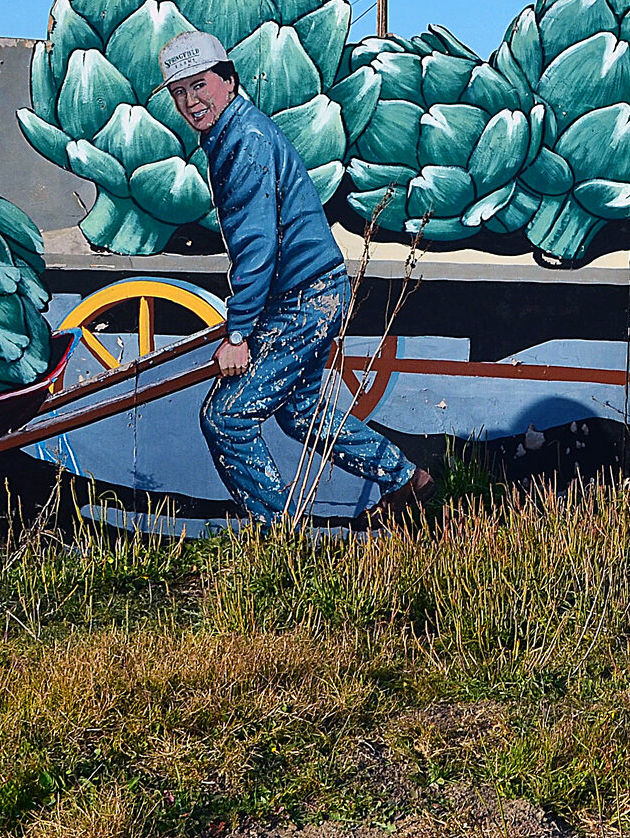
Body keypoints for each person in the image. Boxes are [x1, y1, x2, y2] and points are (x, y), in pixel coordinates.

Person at [156, 30, 433, 526]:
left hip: (304, 298)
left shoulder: (245, 141)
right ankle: (404, 478)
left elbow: (256, 245)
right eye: (180, 92)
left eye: (199, 85)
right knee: (302, 413)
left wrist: (238, 333)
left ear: (229, 80)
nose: (190, 101)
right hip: (312, 291)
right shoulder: (229, 135)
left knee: (225, 419)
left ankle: (280, 535)